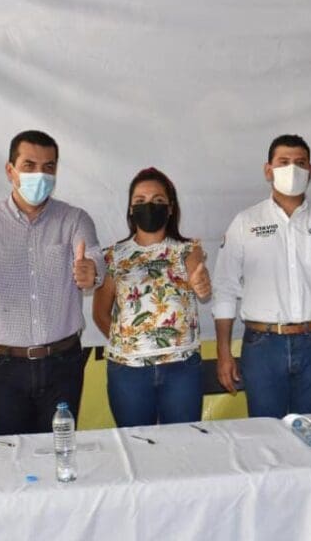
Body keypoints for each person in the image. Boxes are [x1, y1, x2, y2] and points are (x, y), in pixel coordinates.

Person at [0, 130, 104, 435]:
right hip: (1, 369)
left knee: (59, 452)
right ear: (11, 170)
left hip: (62, 365)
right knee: (10, 455)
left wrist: (93, 272)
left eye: (48, 167)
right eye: (29, 166)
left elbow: (94, 256)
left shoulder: (74, 219)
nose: (39, 175)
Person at [212, 134, 311, 418]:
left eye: (300, 163)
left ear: (310, 170)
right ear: (268, 170)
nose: (293, 169)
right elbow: (225, 287)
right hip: (263, 345)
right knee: (267, 432)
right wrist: (223, 352)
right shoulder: (246, 222)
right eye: (284, 162)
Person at [93, 168, 211, 427]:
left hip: (181, 369)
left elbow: (198, 276)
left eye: (158, 200)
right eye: (140, 201)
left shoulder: (188, 250)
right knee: (135, 445)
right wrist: (132, 344)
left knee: (183, 444)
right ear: (130, 209)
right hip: (128, 373)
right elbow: (100, 313)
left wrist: (201, 284)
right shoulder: (113, 256)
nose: (149, 206)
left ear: (170, 208)